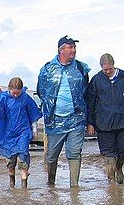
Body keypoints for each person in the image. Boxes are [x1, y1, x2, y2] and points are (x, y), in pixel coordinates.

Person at [37, 35, 91, 187]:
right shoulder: (47, 69)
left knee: (74, 153)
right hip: (55, 121)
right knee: (52, 155)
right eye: (70, 47)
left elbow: (87, 92)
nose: (73, 50)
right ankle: (51, 182)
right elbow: (41, 91)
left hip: (76, 119)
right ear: (61, 50)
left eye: (74, 47)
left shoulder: (81, 67)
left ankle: (74, 187)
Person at [85, 53, 124, 184]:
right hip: (103, 124)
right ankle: (111, 181)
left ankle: (119, 167)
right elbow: (90, 102)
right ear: (101, 67)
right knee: (108, 153)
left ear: (113, 65)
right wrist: (90, 122)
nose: (108, 71)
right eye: (105, 69)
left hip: (122, 121)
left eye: (110, 69)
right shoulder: (96, 80)